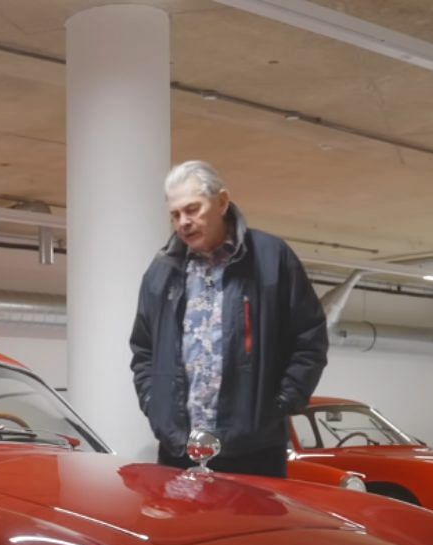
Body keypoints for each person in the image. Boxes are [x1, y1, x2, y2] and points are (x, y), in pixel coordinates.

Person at [129, 160, 327, 477]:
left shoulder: (271, 259)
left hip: (253, 451)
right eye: (176, 214)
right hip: (178, 450)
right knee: (183, 528)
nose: (184, 222)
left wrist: (280, 404)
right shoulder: (162, 271)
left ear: (222, 202)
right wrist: (156, 407)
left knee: (251, 527)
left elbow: (309, 338)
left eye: (192, 209)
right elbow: (144, 350)